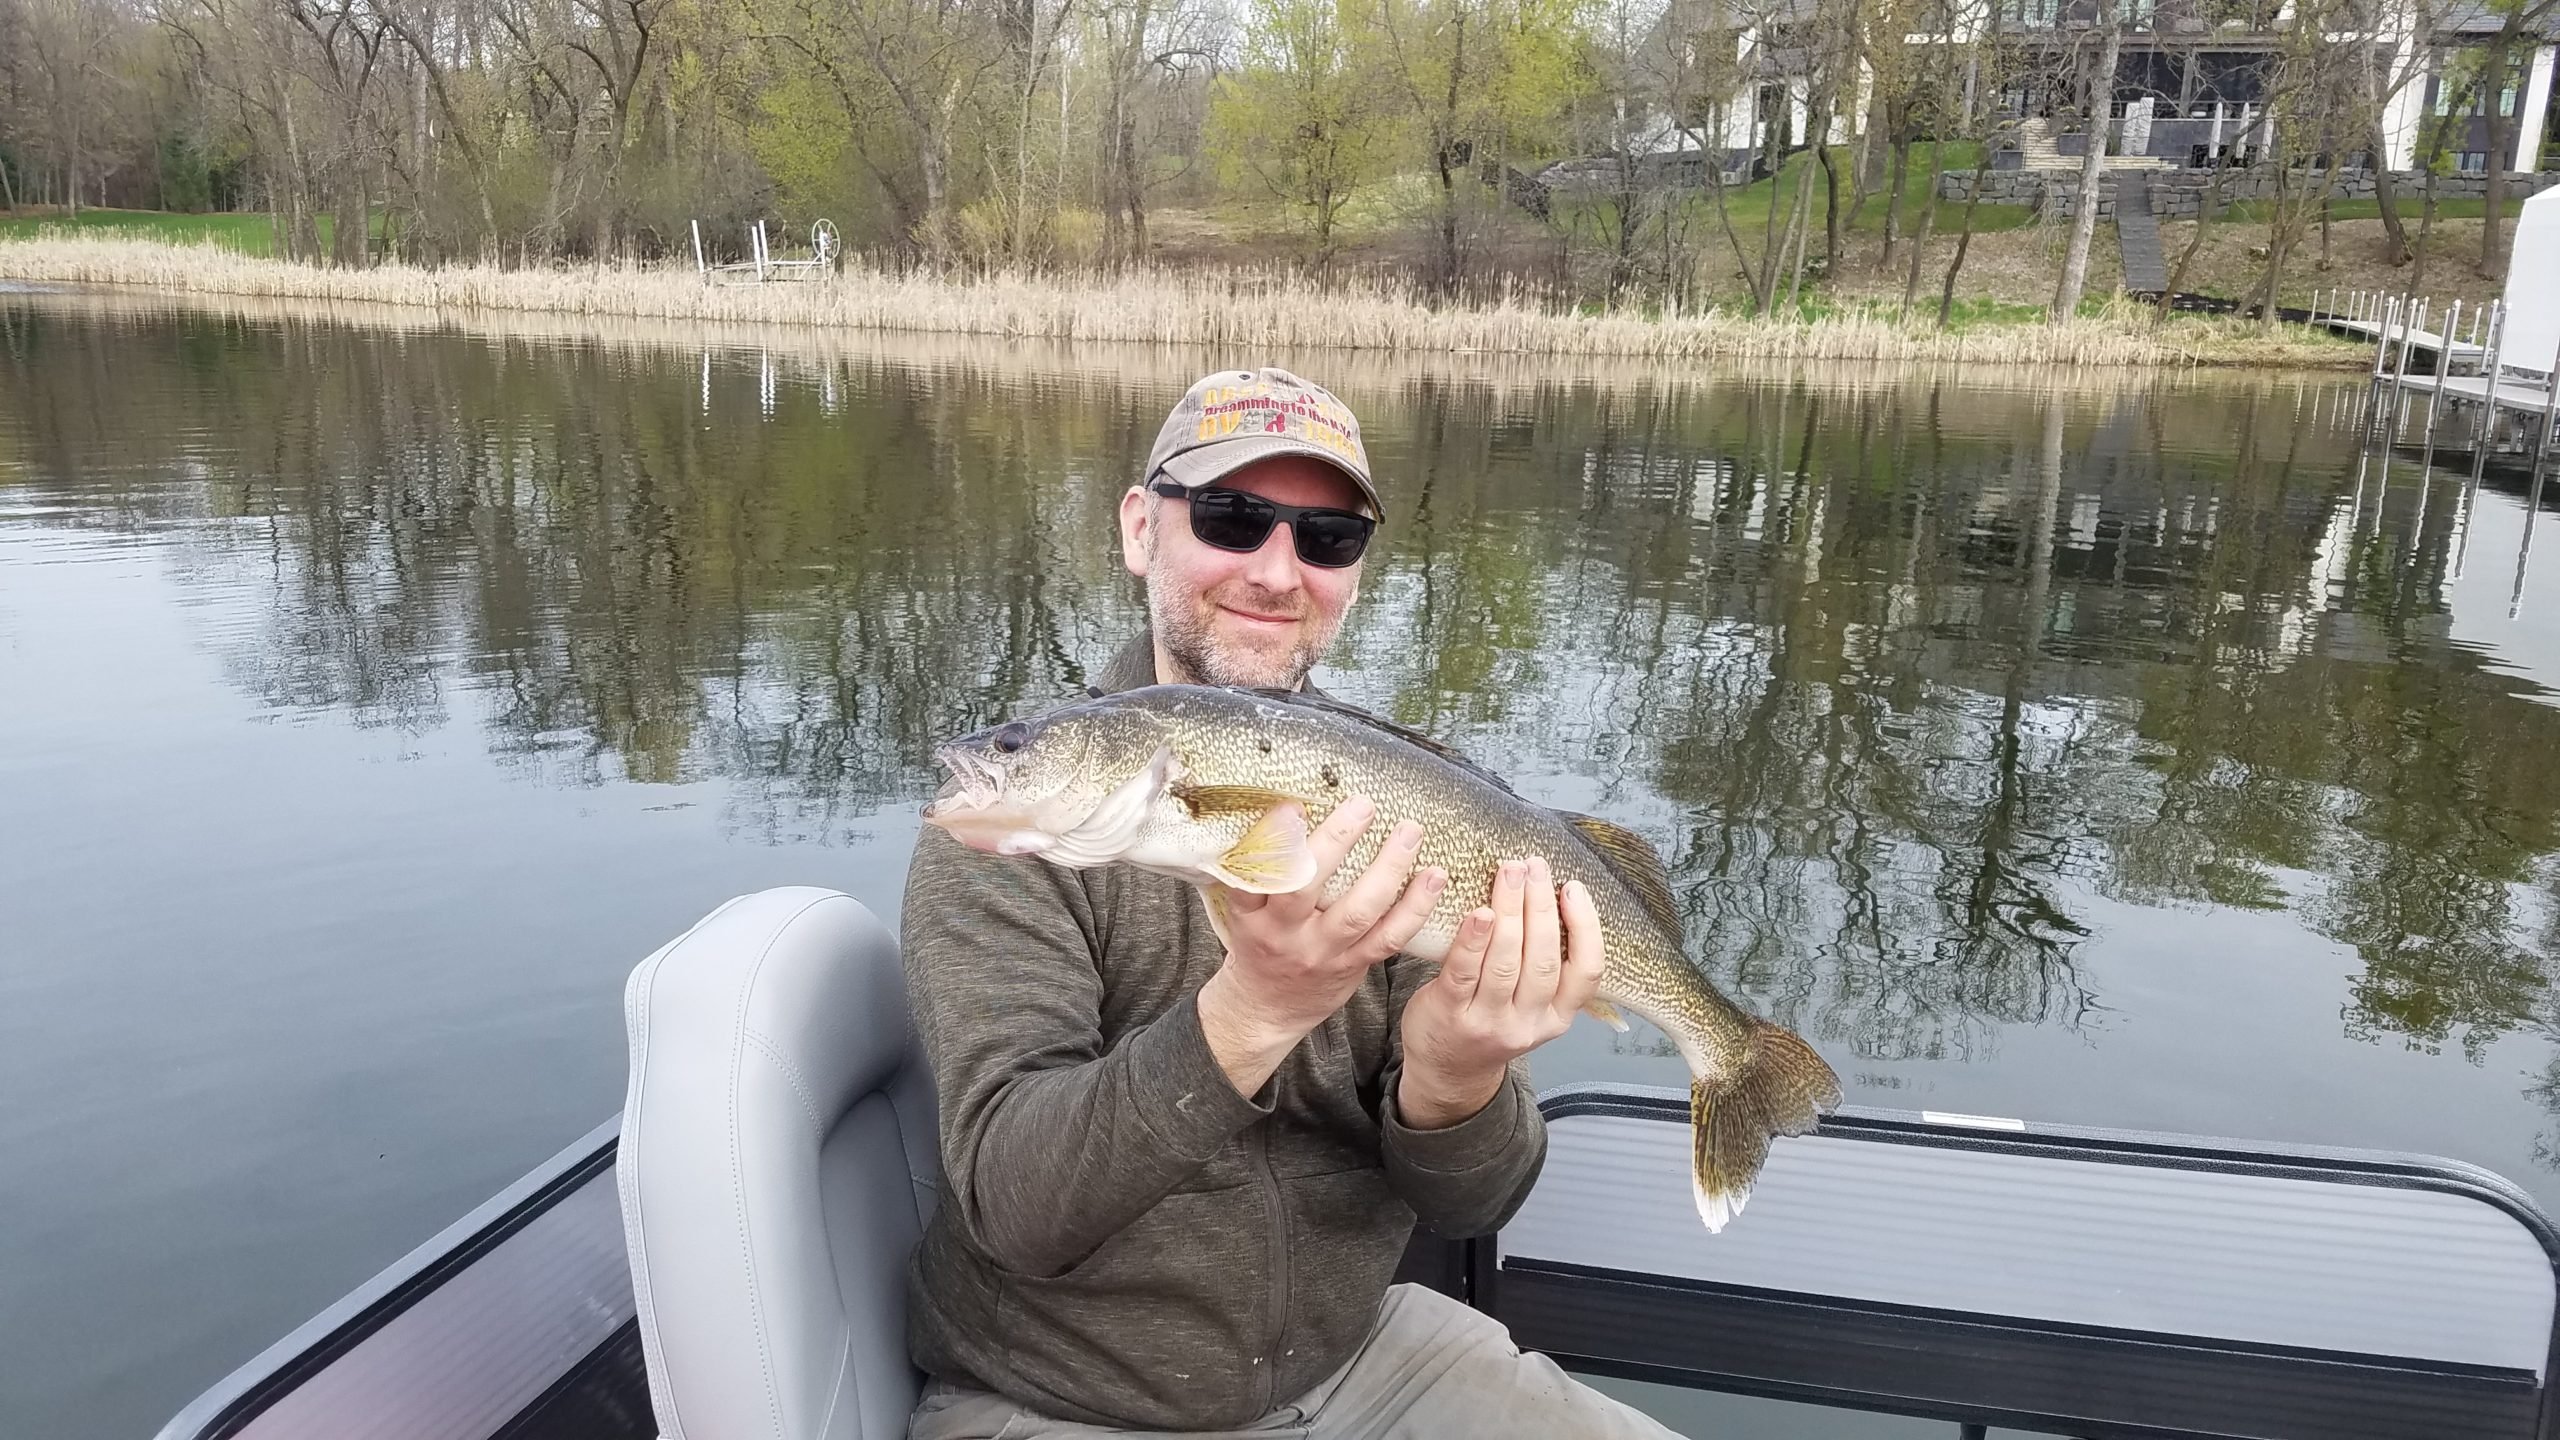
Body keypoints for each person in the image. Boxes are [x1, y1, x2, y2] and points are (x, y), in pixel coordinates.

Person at [899, 368, 1681, 1439]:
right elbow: (1016, 1208)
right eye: (1230, 518)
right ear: (1141, 527)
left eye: (1326, 539)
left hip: (1363, 1358)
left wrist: (1455, 1078)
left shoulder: (1403, 801)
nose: (1277, 571)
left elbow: (1471, 1207)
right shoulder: (1010, 833)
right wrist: (1255, 1009)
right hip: (1058, 1399)